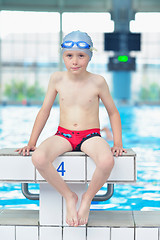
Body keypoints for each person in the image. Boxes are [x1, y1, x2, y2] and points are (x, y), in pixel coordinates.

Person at [16, 30, 126, 227]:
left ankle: (87, 198)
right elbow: (44, 111)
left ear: (89, 57)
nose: (75, 61)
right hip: (63, 134)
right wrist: (31, 142)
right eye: (69, 56)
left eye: (81, 56)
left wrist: (117, 142)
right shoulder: (57, 79)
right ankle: (69, 196)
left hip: (90, 135)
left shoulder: (98, 81)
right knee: (38, 158)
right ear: (63, 57)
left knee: (107, 161)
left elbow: (113, 112)